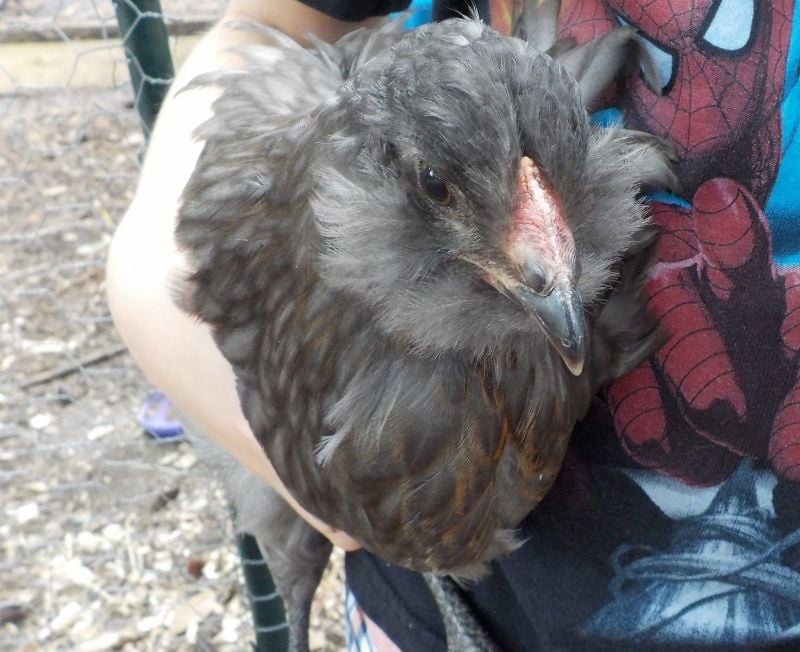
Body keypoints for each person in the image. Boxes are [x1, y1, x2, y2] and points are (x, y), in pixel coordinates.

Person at [107, 0, 800, 649]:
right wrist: (152, 287)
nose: (544, 272)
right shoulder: (314, 209)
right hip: (426, 614)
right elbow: (273, 24)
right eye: (442, 189)